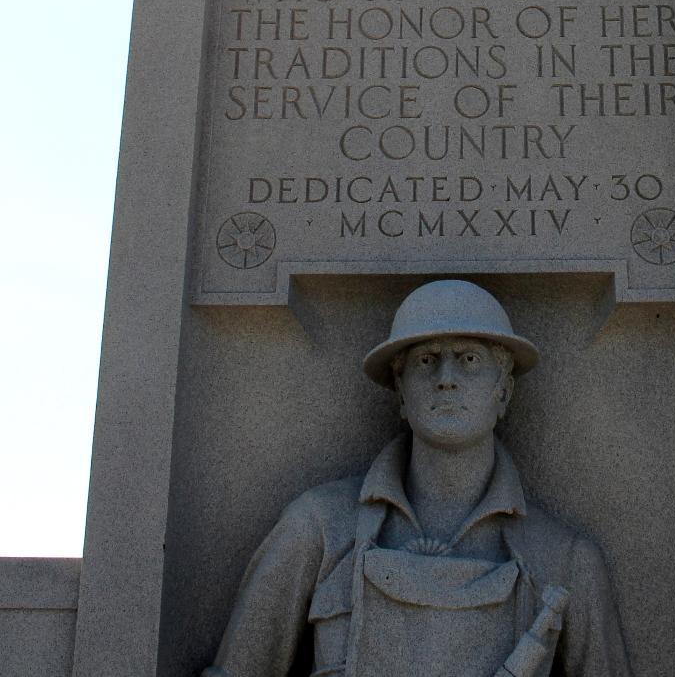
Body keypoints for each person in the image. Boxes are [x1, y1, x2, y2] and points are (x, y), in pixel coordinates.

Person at [204, 280, 632, 677]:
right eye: (428, 361)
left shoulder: (564, 560)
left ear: (504, 392)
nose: (446, 380)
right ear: (401, 392)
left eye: (469, 360)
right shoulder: (318, 528)